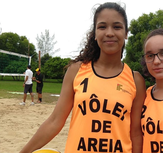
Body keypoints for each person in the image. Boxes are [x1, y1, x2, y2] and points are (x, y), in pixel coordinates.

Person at [20, 2, 146, 153]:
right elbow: (55, 121)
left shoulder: (135, 80)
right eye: (102, 26)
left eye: (117, 27)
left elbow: (136, 133)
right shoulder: (77, 70)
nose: (110, 32)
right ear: (95, 33)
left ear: (126, 33)